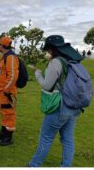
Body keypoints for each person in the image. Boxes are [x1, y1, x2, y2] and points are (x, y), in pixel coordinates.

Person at [28, 35, 85, 167]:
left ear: (52, 49)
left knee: (46, 138)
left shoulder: (56, 62)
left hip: (59, 106)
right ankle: (65, 166)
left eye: (48, 49)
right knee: (68, 140)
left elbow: (47, 85)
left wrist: (37, 73)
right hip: (73, 105)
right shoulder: (72, 61)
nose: (47, 52)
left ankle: (34, 165)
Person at [0, 35, 19, 146]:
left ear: (2, 45)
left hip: (6, 92)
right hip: (1, 91)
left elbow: (13, 76)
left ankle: (8, 138)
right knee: (4, 112)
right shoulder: (5, 56)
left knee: (8, 113)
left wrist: (6, 90)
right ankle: (3, 133)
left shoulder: (11, 58)